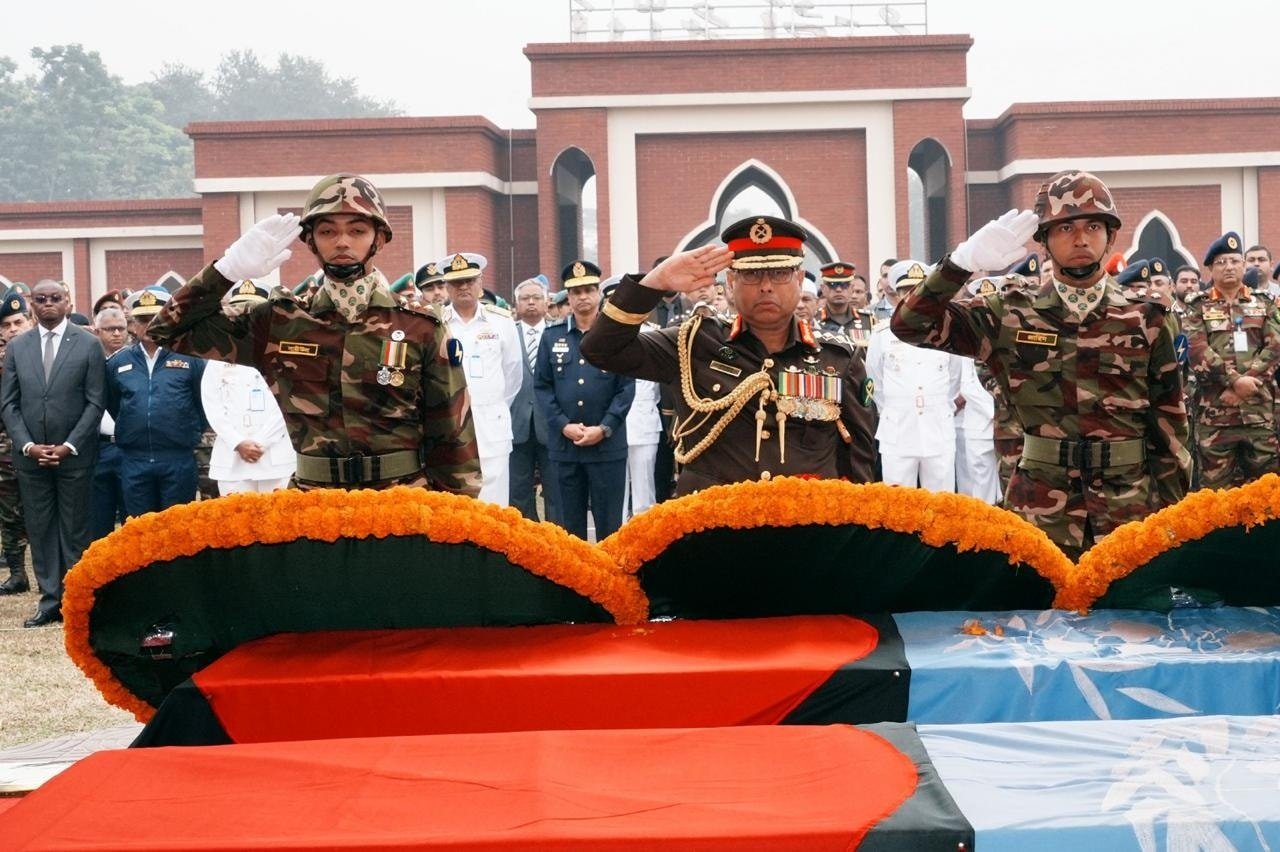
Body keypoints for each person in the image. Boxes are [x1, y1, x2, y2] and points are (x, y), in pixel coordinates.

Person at [891, 170, 1191, 558]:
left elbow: (1170, 424)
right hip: (1040, 511)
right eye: (1064, 227)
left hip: (1129, 508)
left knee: (1128, 617)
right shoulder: (1008, 312)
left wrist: (1170, 519)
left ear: (1111, 236)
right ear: (1044, 241)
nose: (1080, 239)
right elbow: (908, 326)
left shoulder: (1147, 317)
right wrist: (961, 264)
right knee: (1040, 616)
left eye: (1093, 226)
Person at [147, 173, 480, 493]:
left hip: (401, 499)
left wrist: (452, 523)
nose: (342, 242)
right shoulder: (280, 320)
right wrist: (227, 271)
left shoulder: (420, 325)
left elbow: (452, 434)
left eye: (358, 230)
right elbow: (168, 330)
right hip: (313, 500)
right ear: (310, 240)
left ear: (379, 238)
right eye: (327, 231)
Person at [581, 215, 876, 494]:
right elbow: (601, 350)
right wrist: (655, 283)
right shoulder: (694, 342)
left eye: (779, 273)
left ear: (799, 279)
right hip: (712, 534)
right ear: (731, 283)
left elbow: (859, 460)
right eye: (752, 275)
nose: (766, 287)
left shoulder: (838, 359)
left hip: (807, 531)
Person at [0, 279, 107, 627]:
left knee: (76, 529)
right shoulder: (18, 347)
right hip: (31, 456)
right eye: (41, 299)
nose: (48, 304)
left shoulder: (89, 345)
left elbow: (95, 402)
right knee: (41, 527)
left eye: (55, 298)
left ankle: (77, 601)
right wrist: (28, 445)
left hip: (75, 454)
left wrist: (69, 445)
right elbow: (9, 403)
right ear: (32, 303)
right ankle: (50, 601)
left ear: (68, 301)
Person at [535, 260, 634, 540]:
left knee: (609, 527)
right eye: (576, 291)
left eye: (589, 289)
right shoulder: (551, 336)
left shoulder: (616, 336)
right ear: (568, 296)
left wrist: (604, 428)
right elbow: (542, 386)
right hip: (566, 447)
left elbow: (626, 388)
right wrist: (563, 425)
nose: (583, 297)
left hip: (607, 446)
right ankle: (573, 584)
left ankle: (610, 581)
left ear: (599, 293)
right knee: (570, 528)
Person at [1182, 231, 1280, 488]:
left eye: (1235, 261)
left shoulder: (1265, 303)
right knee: (1216, 496)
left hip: (1259, 412)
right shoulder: (1197, 305)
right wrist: (1235, 381)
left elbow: (1275, 346)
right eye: (1221, 262)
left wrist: (1247, 384)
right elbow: (1197, 349)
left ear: (1244, 265)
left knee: (1267, 492)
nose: (1229, 267)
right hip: (1215, 415)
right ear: (1210, 269)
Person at [107, 288, 208, 517]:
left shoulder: (190, 358)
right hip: (135, 459)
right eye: (143, 320)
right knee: (139, 530)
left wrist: (184, 432)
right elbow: (113, 404)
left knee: (176, 529)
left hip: (178, 458)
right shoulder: (118, 362)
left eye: (156, 318)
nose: (149, 325)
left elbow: (201, 404)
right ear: (132, 324)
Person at [866, 261, 963, 492]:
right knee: (898, 503)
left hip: (938, 428)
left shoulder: (946, 332)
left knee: (941, 502)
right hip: (898, 430)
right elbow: (875, 383)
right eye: (905, 292)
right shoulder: (881, 335)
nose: (911, 297)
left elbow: (954, 380)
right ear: (897, 296)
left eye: (918, 291)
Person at [200, 281, 297, 495]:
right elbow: (212, 405)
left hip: (274, 456)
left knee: (277, 524)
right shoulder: (219, 356)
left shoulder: (284, 352)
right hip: (233, 457)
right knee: (236, 524)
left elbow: (290, 402)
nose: (247, 317)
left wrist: (262, 441)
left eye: (254, 311)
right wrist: (238, 442)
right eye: (241, 311)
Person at [441, 252, 522, 505]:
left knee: (494, 501)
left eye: (470, 280)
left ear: (480, 282)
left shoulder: (501, 322)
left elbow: (513, 373)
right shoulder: (435, 322)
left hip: (491, 423)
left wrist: (490, 405)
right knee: (454, 501)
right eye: (456, 282)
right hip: (448, 424)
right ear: (446, 286)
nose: (463, 287)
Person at [508, 276, 560, 523]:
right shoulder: (505, 333)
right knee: (518, 494)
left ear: (547, 302)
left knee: (556, 493)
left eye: (536, 298)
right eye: (525, 298)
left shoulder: (559, 333)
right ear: (516, 303)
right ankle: (527, 547)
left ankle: (558, 545)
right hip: (515, 424)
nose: (530, 303)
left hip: (552, 425)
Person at [0, 293, 31, 594]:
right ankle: (17, 573)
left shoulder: (40, 352)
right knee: (10, 516)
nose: (12, 329)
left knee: (44, 515)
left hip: (41, 447)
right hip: (6, 453)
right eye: (6, 325)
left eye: (18, 322)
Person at [90, 304, 129, 540]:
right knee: (98, 523)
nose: (117, 334)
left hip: (128, 448)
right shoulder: (85, 360)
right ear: (97, 332)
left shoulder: (135, 361)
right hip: (98, 448)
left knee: (131, 520)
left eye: (121, 328)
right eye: (110, 329)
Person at [815, 261, 873, 346]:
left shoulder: (868, 321)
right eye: (832, 285)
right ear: (823, 289)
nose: (838, 289)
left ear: (851, 289)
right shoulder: (814, 320)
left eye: (844, 285)